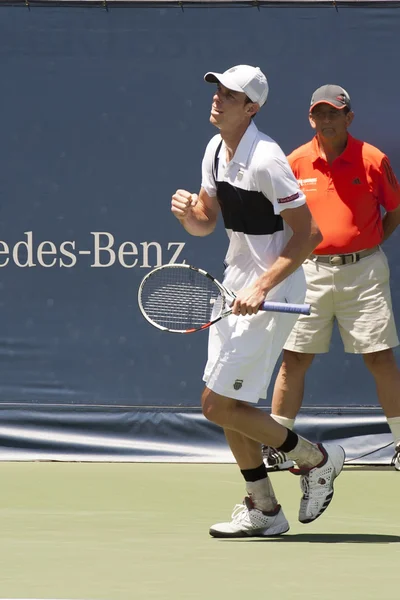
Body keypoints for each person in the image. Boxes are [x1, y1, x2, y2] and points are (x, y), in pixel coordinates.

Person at [171, 65, 346, 538]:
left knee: (217, 405)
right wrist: (191, 215)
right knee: (231, 403)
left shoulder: (267, 159)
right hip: (235, 284)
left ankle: (316, 459)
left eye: (231, 95)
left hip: (273, 289)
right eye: (218, 90)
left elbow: (310, 234)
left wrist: (263, 286)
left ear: (251, 108)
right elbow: (208, 220)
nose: (218, 99)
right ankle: (265, 509)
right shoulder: (214, 150)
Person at [262, 84, 400, 473]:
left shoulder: (373, 159)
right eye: (319, 114)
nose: (326, 121)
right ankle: (278, 446)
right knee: (294, 360)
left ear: (348, 118)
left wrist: (364, 245)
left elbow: (394, 211)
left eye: (333, 113)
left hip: (365, 272)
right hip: (309, 274)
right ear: (311, 119)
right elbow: (281, 221)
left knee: (380, 358)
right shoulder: (295, 162)